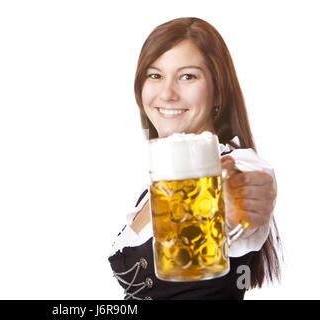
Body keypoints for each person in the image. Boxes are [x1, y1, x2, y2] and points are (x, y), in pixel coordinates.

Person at [108, 17, 281, 300]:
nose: (167, 93)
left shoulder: (239, 165)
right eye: (155, 75)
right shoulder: (158, 182)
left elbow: (244, 193)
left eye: (188, 76)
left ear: (218, 91)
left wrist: (239, 200)